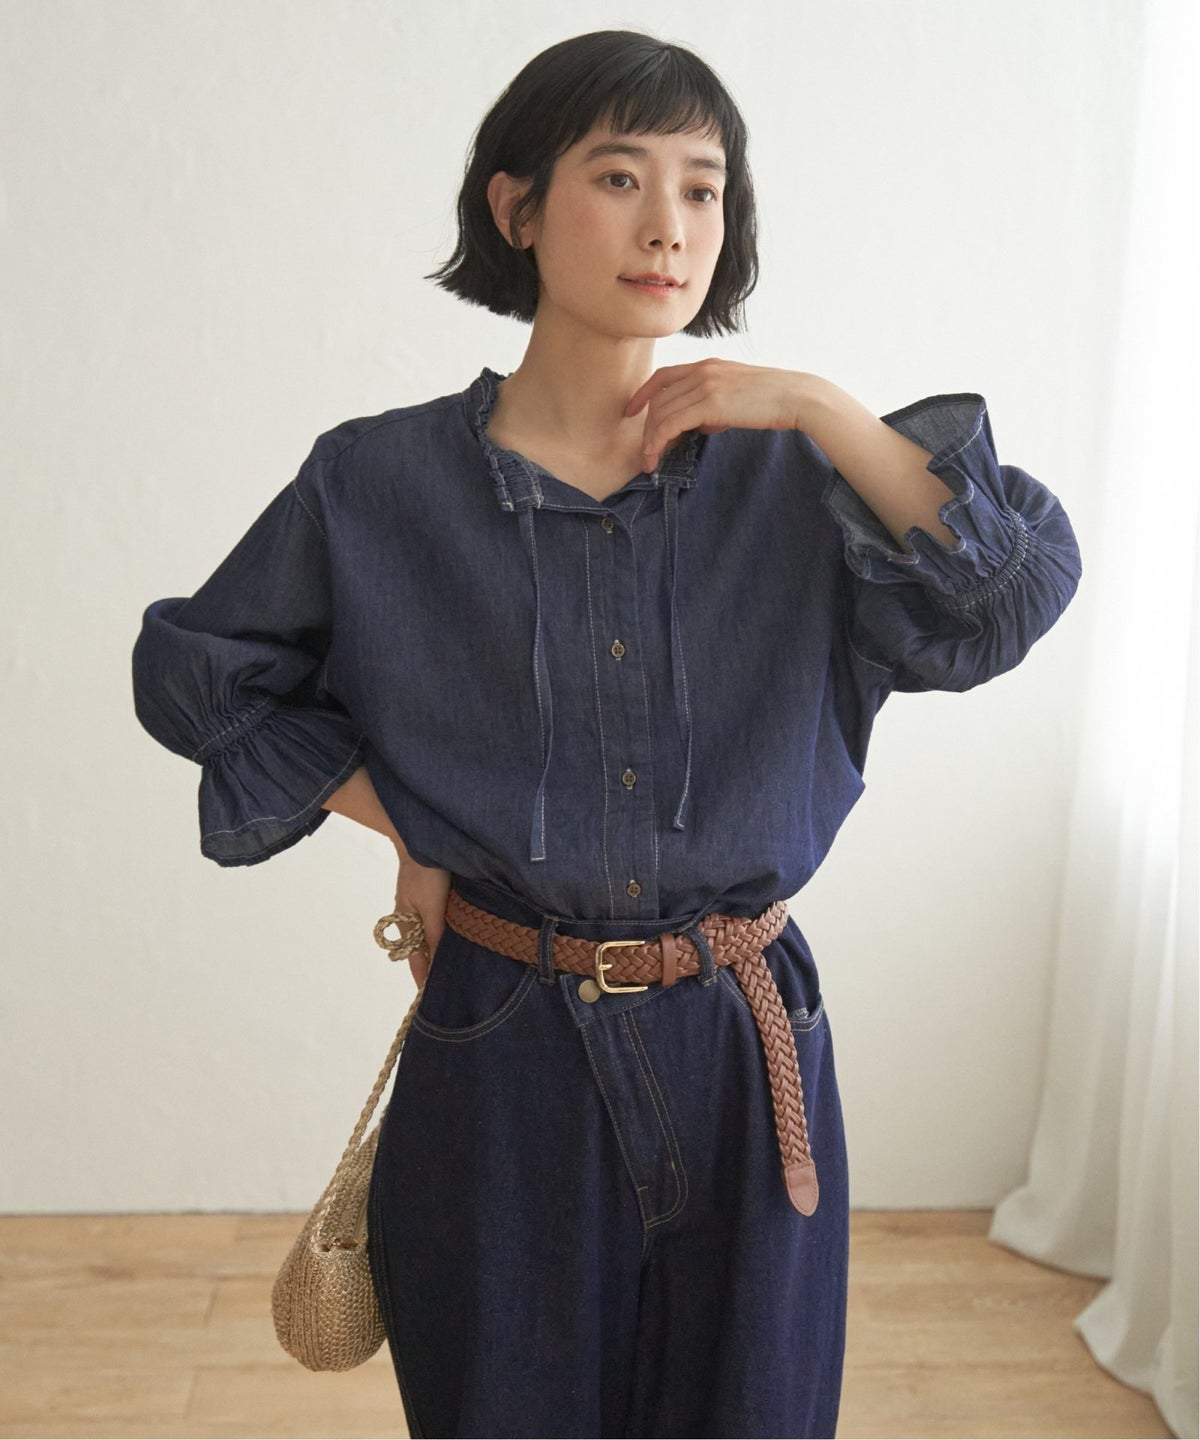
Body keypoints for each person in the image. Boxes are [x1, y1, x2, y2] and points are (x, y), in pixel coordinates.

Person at [130, 28, 1082, 1440]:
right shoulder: (379, 482)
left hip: (746, 1048)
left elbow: (1006, 595)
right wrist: (412, 823)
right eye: (621, 177)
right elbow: (198, 672)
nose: (668, 226)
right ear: (517, 208)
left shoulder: (798, 476)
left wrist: (817, 407)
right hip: (501, 1044)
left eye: (703, 188)